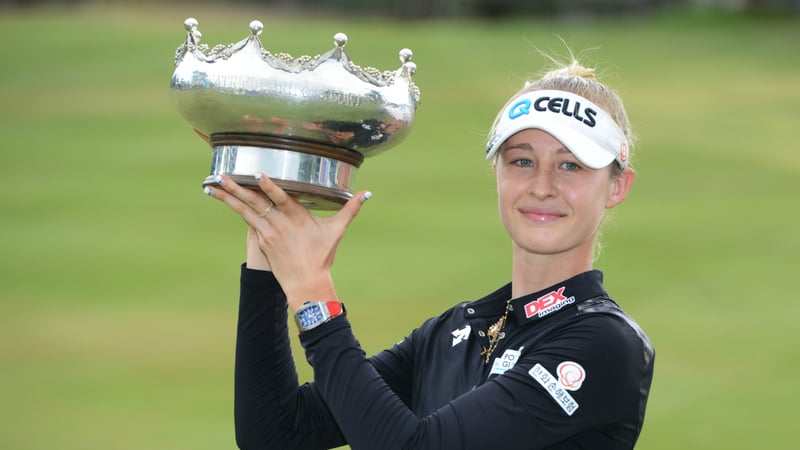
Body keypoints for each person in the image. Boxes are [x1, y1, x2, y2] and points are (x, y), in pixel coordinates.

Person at [203, 56, 655, 450]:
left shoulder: (604, 344)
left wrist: (313, 295)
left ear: (618, 186)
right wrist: (267, 242)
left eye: (570, 165)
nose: (542, 186)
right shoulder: (456, 330)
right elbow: (276, 432)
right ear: (496, 171)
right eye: (522, 160)